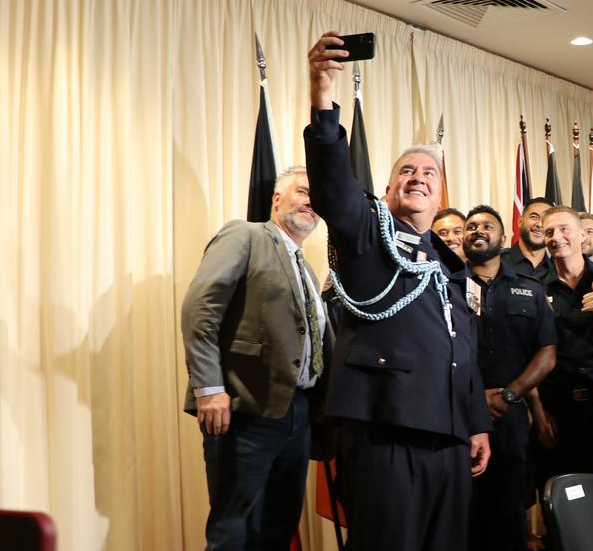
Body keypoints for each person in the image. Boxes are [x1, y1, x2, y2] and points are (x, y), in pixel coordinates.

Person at [305, 31, 491, 551]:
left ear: (441, 192)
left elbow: (464, 352)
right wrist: (322, 99)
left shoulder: (450, 263)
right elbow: (335, 191)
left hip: (449, 433)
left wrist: (475, 424)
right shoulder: (369, 235)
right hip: (387, 426)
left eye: (429, 172)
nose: (418, 176)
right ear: (387, 190)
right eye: (406, 170)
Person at [181, 166, 335, 550]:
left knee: (278, 528)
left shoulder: (308, 272)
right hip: (242, 407)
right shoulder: (245, 235)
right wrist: (209, 388)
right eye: (302, 192)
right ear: (277, 199)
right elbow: (200, 310)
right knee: (234, 528)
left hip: (297, 414)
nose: (311, 202)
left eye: (317, 198)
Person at [462, 205, 557, 551]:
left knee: (509, 512)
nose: (478, 230)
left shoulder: (529, 289)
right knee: (463, 514)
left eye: (487, 225)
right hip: (457, 416)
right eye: (470, 226)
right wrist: (475, 399)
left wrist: (510, 396)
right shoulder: (445, 285)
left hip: (510, 418)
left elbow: (546, 354)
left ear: (504, 237)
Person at [532, 205, 593, 501]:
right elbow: (527, 353)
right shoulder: (534, 287)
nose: (556, 238)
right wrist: (537, 410)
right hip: (556, 409)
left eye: (563, 229)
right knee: (562, 496)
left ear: (583, 235)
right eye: (549, 232)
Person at [503, 197, 553, 282]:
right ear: (520, 222)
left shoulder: (557, 270)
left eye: (546, 219)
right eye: (534, 217)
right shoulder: (495, 263)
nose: (540, 224)